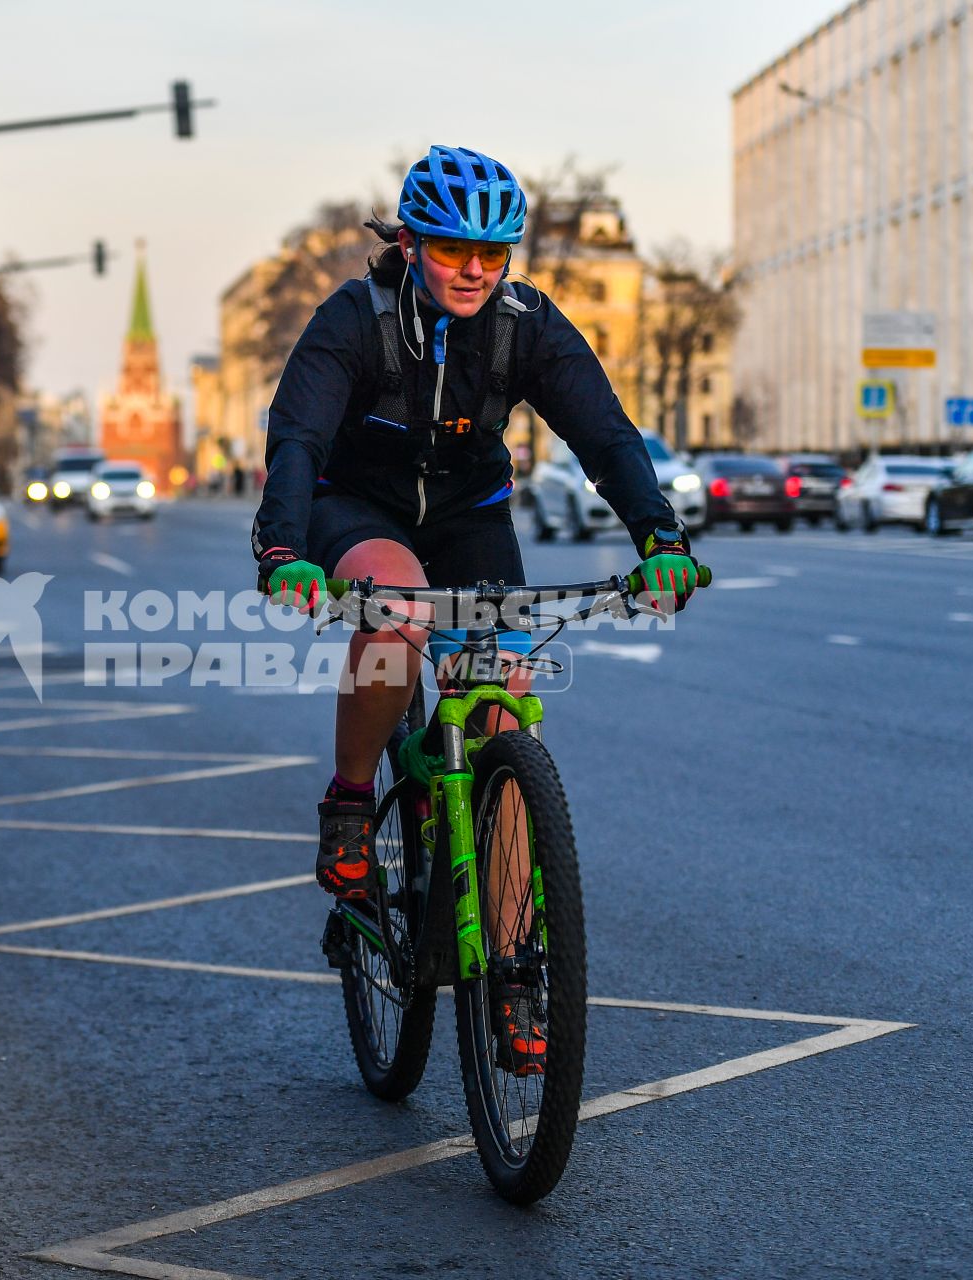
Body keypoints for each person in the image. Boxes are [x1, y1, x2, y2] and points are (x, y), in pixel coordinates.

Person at [250, 146, 700, 1074]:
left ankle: (515, 968)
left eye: (493, 255)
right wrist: (285, 551)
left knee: (502, 707)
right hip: (357, 506)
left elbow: (603, 433)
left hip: (468, 513)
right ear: (412, 243)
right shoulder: (352, 320)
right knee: (400, 616)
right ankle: (347, 804)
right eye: (455, 250)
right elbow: (296, 438)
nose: (474, 270)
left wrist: (660, 537)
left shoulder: (525, 325)